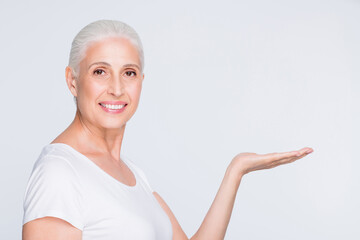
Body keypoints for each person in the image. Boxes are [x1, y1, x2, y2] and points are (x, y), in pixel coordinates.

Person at [22, 19, 313, 240]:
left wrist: (236, 171)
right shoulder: (60, 172)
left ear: (141, 82)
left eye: (129, 73)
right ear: (73, 81)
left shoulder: (134, 175)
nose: (117, 88)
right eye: (100, 71)